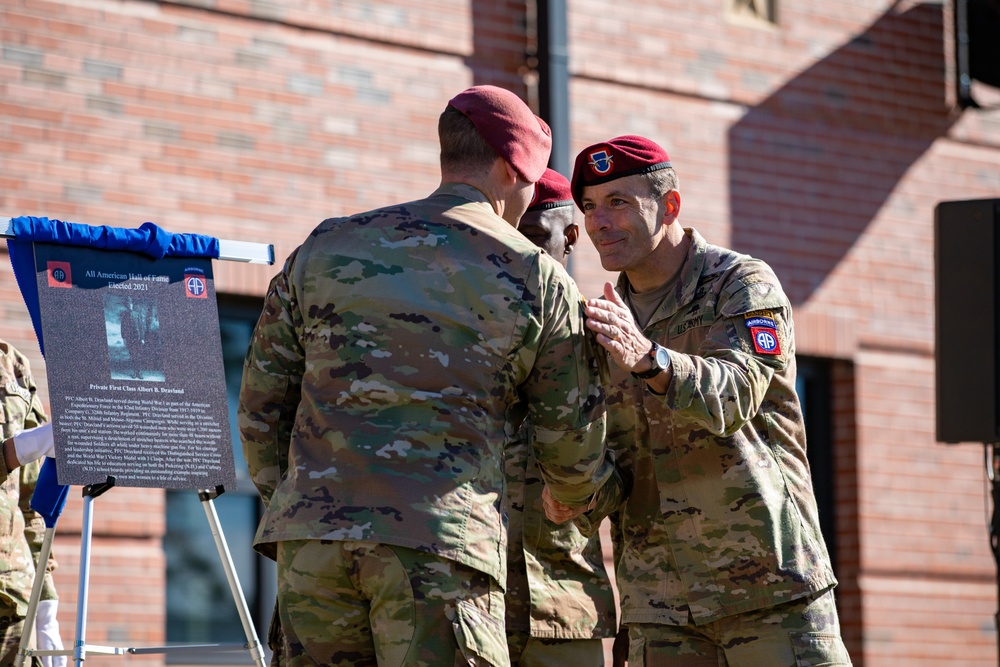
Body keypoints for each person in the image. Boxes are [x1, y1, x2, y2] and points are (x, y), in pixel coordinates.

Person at [239, 85, 619, 667]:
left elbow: (261, 410)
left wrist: (303, 499)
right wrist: (571, 497)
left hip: (313, 546)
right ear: (512, 167)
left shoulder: (326, 245)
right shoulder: (535, 278)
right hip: (440, 552)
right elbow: (571, 452)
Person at [546, 135, 852, 666]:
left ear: (669, 206)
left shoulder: (740, 283)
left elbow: (735, 396)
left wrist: (648, 357)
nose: (599, 222)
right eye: (590, 207)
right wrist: (577, 494)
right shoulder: (604, 322)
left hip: (769, 590)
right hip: (660, 609)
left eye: (619, 202)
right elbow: (619, 465)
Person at [503, 168, 616, 666]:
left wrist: (583, 492)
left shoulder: (606, 335)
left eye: (530, 237)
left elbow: (640, 468)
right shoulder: (471, 330)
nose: (516, 253)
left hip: (567, 605)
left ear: (570, 235)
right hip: (473, 602)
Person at [0, 340, 65, 667]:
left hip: (15, 598)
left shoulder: (12, 364)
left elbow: (31, 502)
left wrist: (46, 604)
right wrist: (13, 452)